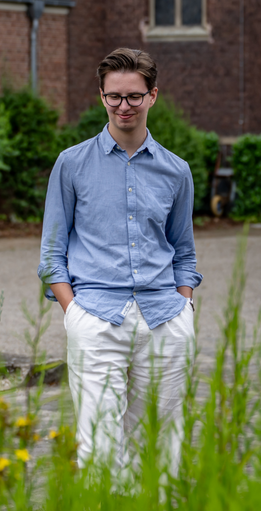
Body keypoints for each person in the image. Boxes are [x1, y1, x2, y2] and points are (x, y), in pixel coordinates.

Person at [38, 48, 201, 476]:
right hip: (95, 316)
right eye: (114, 97)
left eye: (133, 96)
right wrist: (74, 313)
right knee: (99, 441)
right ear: (101, 97)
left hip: (165, 317)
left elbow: (183, 250)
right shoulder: (72, 164)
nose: (123, 106)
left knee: (163, 438)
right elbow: (52, 252)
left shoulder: (176, 171)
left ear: (152, 96)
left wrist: (185, 305)